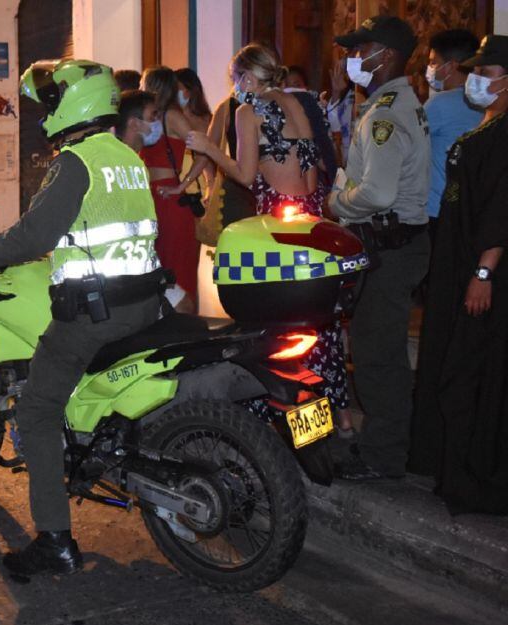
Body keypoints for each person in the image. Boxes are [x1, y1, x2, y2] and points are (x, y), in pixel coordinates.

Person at [0, 60, 163, 576]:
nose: (45, 112)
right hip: (144, 305)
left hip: (94, 315)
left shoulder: (76, 161)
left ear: (72, 103)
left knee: (36, 411)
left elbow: (33, 237)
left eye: (49, 102)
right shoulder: (127, 156)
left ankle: (53, 541)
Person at [186, 43, 351, 427]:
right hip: (310, 218)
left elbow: (244, 176)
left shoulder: (249, 110)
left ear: (245, 77)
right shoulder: (299, 102)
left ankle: (273, 414)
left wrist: (211, 147)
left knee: (276, 323)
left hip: (277, 222)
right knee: (319, 319)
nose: (234, 87)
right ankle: (338, 415)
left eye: (235, 79)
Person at [328, 16, 431, 480]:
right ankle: (393, 446)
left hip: (390, 249)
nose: (352, 58)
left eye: (360, 49)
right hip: (397, 244)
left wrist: (335, 203)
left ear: (384, 56)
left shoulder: (386, 113)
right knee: (377, 349)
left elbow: (378, 194)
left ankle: (383, 456)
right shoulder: (397, 102)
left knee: (377, 355)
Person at [410, 35, 508, 513]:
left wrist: (484, 273)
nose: (476, 81)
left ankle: (477, 479)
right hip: (456, 263)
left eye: (486, 74)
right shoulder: (487, 125)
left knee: (472, 371)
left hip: (481, 273)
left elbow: (500, 210)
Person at [140, 67, 200, 307]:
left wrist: (183, 184)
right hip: (152, 198)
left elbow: (203, 150)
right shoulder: (151, 116)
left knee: (177, 269)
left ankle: (188, 332)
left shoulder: (172, 116)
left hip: (169, 197)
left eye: (144, 82)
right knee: (158, 269)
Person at [424, 29, 483, 233]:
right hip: (470, 209)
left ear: (451, 66)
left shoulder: (438, 104)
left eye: (434, 62)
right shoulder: (484, 103)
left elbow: (410, 144)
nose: (430, 69)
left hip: (437, 208)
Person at [175, 68, 213, 132]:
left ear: (190, 91)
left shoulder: (210, 119)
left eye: (177, 89)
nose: (173, 93)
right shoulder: (173, 118)